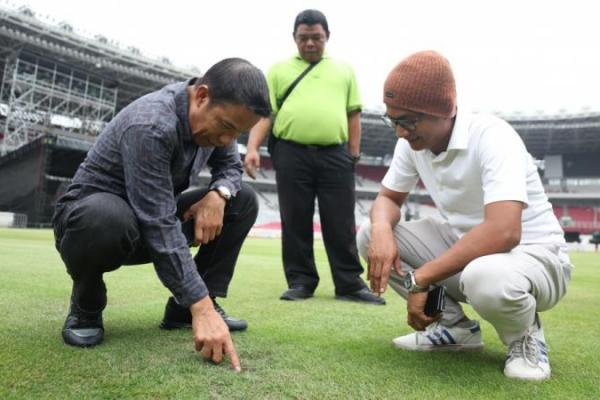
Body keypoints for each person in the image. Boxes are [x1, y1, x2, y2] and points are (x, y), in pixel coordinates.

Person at [357, 51, 573, 380]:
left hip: (537, 257)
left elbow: (504, 233)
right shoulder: (412, 144)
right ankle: (456, 329)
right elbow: (388, 198)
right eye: (393, 120)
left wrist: (420, 280)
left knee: (485, 276)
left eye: (408, 121)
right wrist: (382, 228)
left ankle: (525, 338)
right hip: (471, 253)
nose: (400, 132)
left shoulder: (492, 136)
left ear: (443, 111)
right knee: (369, 233)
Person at [52, 58, 271, 372]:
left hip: (149, 219)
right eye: (226, 128)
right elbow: (157, 221)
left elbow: (231, 168)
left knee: (242, 200)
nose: (227, 140)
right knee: (107, 217)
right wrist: (203, 307)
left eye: (236, 134)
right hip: (91, 223)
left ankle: (182, 312)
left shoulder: (218, 120)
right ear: (201, 96)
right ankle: (86, 303)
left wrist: (219, 195)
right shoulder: (151, 124)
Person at [244, 9, 383, 305]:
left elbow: (353, 114)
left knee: (341, 221)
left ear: (327, 37)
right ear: (294, 38)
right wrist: (253, 147)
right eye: (303, 38)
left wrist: (353, 155)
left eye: (316, 38)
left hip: (336, 155)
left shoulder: (344, 70)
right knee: (295, 219)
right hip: (291, 153)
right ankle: (301, 281)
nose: (310, 44)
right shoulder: (278, 70)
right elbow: (266, 114)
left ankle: (349, 284)